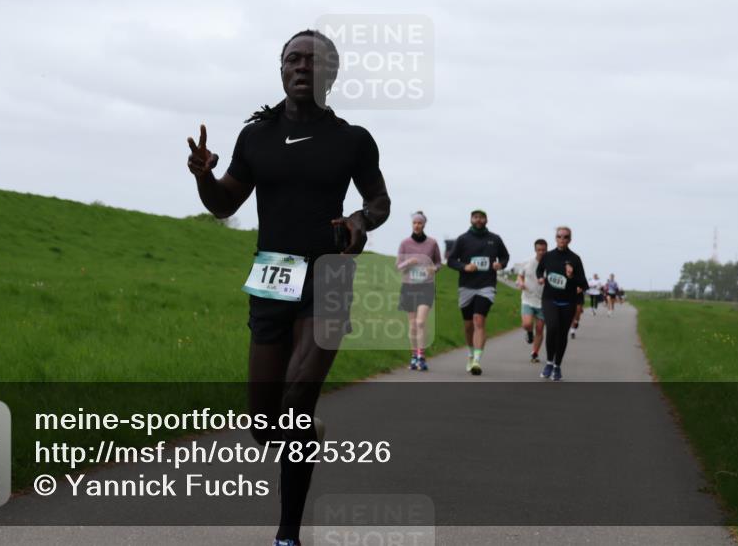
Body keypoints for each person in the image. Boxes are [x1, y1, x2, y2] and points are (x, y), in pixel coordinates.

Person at [187, 29, 390, 546]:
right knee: (264, 421)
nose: (303, 67)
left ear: (332, 74)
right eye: (293, 59)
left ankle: (287, 535)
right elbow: (224, 204)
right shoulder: (256, 136)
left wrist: (360, 221)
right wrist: (203, 177)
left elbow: (379, 202)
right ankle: (302, 437)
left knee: (298, 398)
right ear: (280, 69)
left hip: (329, 275)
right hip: (273, 276)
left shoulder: (352, 140)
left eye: (314, 61)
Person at [447, 210, 510, 375]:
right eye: (475, 217)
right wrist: (464, 267)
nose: (479, 220)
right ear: (470, 219)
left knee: (479, 320)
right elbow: (451, 261)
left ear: (486, 220)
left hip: (487, 285)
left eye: (481, 217)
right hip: (466, 286)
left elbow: (505, 256)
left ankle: (476, 360)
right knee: (468, 326)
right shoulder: (463, 239)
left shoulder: (495, 239)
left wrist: (500, 265)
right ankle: (470, 352)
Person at [536, 226, 588, 381]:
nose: (562, 239)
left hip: (568, 301)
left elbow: (584, 284)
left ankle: (557, 366)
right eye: (559, 236)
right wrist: (540, 277)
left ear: (570, 239)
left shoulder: (575, 259)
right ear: (555, 238)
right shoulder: (548, 256)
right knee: (552, 328)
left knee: (562, 334)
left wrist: (572, 276)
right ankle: (549, 363)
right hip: (549, 299)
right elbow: (540, 270)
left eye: (565, 237)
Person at [396, 211, 442, 371]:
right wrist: (409, 262)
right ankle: (414, 356)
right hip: (409, 286)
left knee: (420, 322)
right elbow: (398, 267)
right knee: (412, 325)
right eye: (414, 222)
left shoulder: (432, 243)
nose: (417, 225)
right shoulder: (405, 243)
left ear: (424, 225)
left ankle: (422, 356)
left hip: (426, 286)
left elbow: (438, 263)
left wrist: (433, 269)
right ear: (412, 224)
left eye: (419, 223)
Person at [516, 239, 547, 363]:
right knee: (527, 324)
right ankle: (529, 332)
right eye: (539, 250)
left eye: (543, 250)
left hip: (543, 302)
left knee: (540, 328)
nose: (541, 252)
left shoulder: (550, 265)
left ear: (547, 250)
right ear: (535, 250)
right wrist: (521, 282)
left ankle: (535, 353)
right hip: (528, 299)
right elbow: (520, 276)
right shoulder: (527, 262)